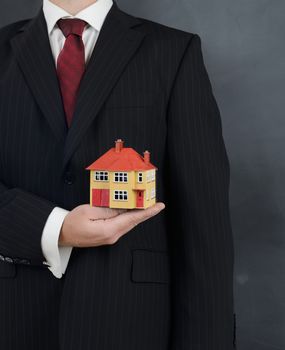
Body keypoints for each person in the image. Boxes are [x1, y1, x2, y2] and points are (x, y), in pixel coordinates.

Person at [0, 0, 235, 349]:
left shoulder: (172, 52)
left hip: (133, 323)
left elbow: (205, 231)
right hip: (14, 318)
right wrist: (55, 228)